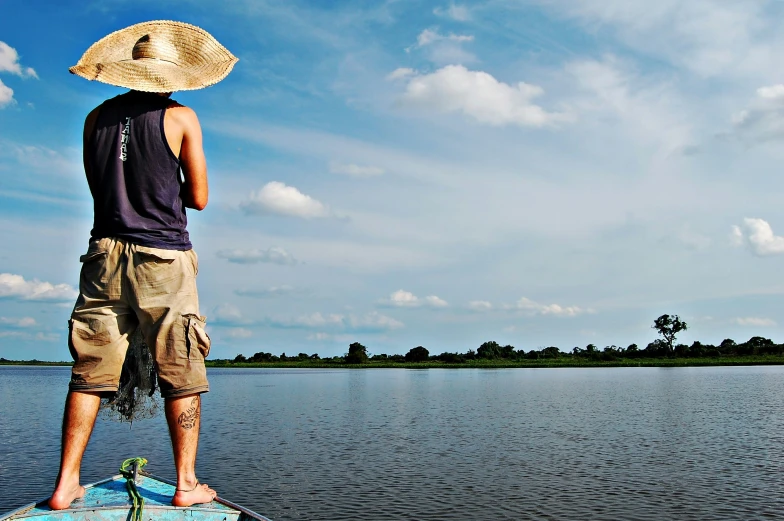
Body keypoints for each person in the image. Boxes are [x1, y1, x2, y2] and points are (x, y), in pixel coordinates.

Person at [48, 21, 238, 510]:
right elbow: (198, 197)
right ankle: (186, 484)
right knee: (182, 367)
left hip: (103, 255)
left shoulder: (94, 120)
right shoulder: (180, 118)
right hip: (162, 257)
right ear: (171, 75)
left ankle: (66, 484)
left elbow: (102, 188)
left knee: (88, 371)